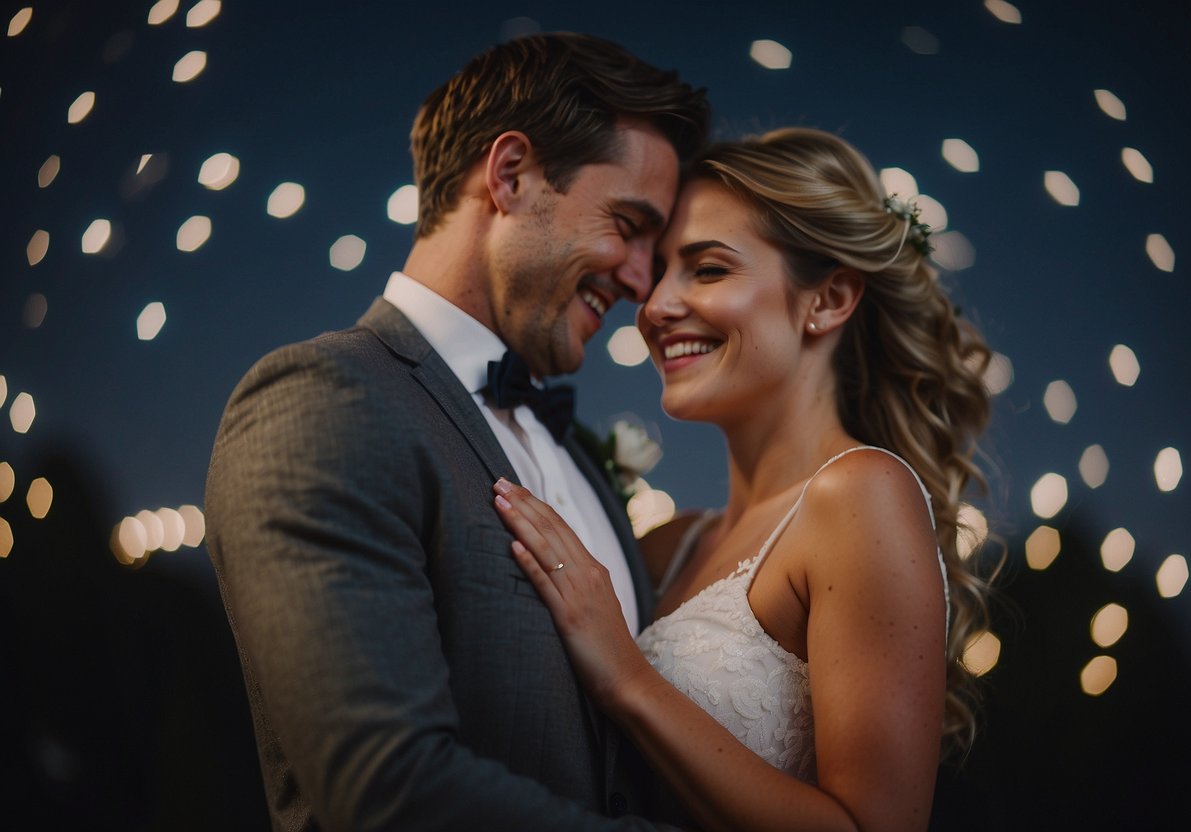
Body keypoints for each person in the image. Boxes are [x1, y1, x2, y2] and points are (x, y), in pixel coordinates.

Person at [205, 33, 708, 830]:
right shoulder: (322, 399)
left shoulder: (578, 455)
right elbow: (388, 790)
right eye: (627, 223)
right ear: (509, 176)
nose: (643, 282)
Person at [493, 127, 995, 832]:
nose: (655, 305)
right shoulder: (668, 544)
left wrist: (629, 679)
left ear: (827, 299)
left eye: (706, 269)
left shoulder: (860, 495)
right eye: (660, 268)